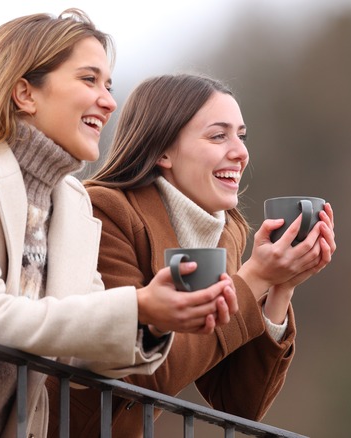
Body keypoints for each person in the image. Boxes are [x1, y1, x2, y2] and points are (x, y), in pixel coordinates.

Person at [0, 11, 237, 438]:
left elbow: (80, 355)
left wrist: (152, 321)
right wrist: (139, 305)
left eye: (109, 85)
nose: (110, 100)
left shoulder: (73, 203)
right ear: (25, 92)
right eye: (89, 80)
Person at [45, 73, 336, 436]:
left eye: (241, 136)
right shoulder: (104, 211)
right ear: (163, 150)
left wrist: (279, 288)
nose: (241, 152)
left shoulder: (226, 233)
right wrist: (256, 277)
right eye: (218, 135)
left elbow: (238, 403)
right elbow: (142, 372)